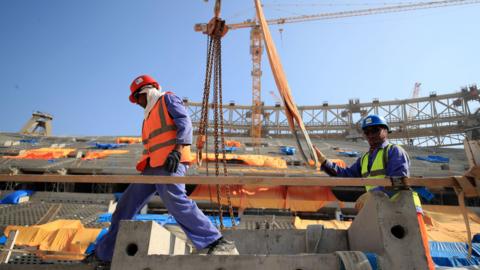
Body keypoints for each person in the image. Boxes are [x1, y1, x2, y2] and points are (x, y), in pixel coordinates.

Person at [90, 75, 239, 264]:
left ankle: (217, 242)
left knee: (176, 202)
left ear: (146, 91)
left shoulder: (167, 99)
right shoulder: (147, 116)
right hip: (152, 168)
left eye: (137, 98)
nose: (136, 103)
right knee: (124, 206)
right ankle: (103, 255)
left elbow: (185, 123)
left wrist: (177, 152)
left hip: (171, 163)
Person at [314, 114, 435, 270]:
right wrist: (325, 162)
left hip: (405, 210)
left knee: (418, 258)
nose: (370, 135)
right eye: (367, 132)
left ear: (385, 130)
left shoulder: (394, 151)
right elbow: (346, 175)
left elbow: (399, 180)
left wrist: (373, 196)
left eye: (375, 130)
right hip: (380, 211)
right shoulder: (364, 159)